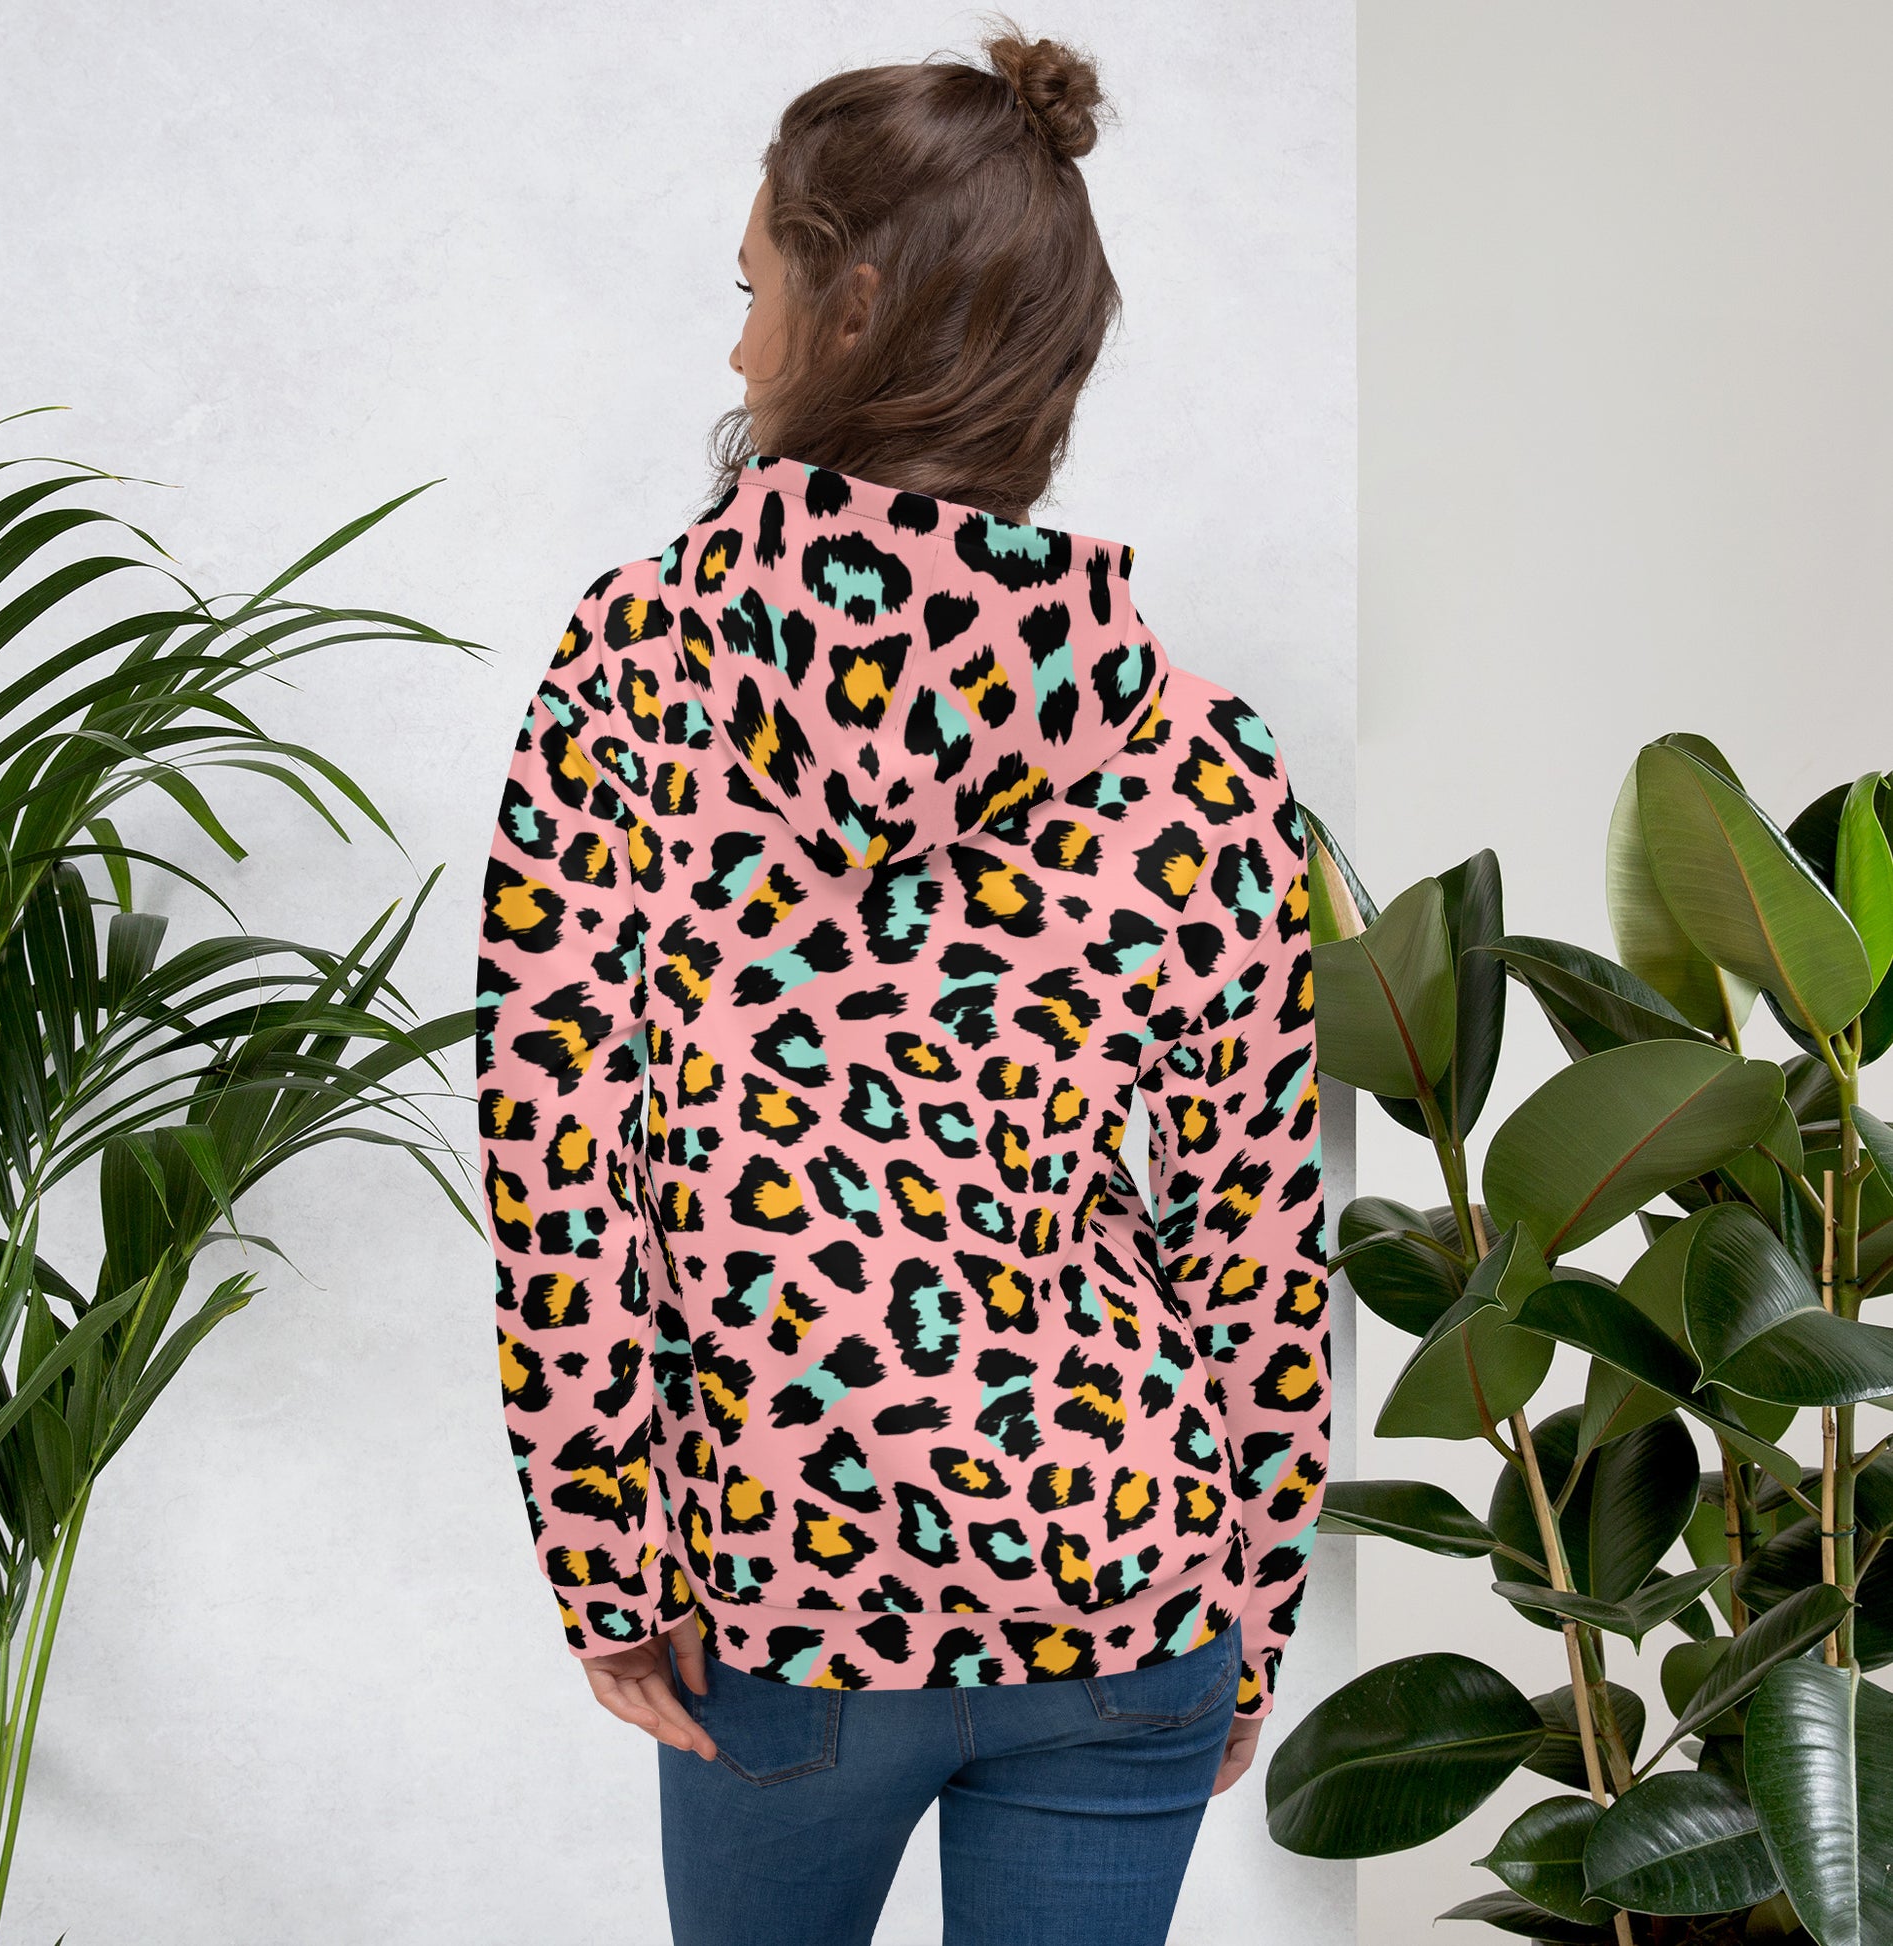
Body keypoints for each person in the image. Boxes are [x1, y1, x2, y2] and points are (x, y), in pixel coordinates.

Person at [475, 21, 1329, 1945]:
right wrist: (1251, 1606)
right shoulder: (1206, 754)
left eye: (751, 291)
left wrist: (609, 1560)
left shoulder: (634, 672)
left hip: (786, 1589)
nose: (736, 352)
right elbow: (1251, 1233)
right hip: (1127, 1579)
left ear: (847, 304)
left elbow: (558, 1154)